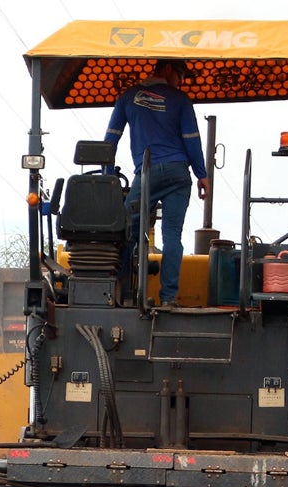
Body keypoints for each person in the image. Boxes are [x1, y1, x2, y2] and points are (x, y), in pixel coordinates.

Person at [104, 58, 210, 308]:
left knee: (126, 230)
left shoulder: (128, 97)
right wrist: (201, 174)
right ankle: (168, 298)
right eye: (181, 75)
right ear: (169, 69)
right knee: (172, 235)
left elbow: (110, 140)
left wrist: (107, 177)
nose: (181, 82)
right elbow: (191, 139)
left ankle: (118, 292)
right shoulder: (180, 100)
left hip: (147, 173)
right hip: (178, 173)